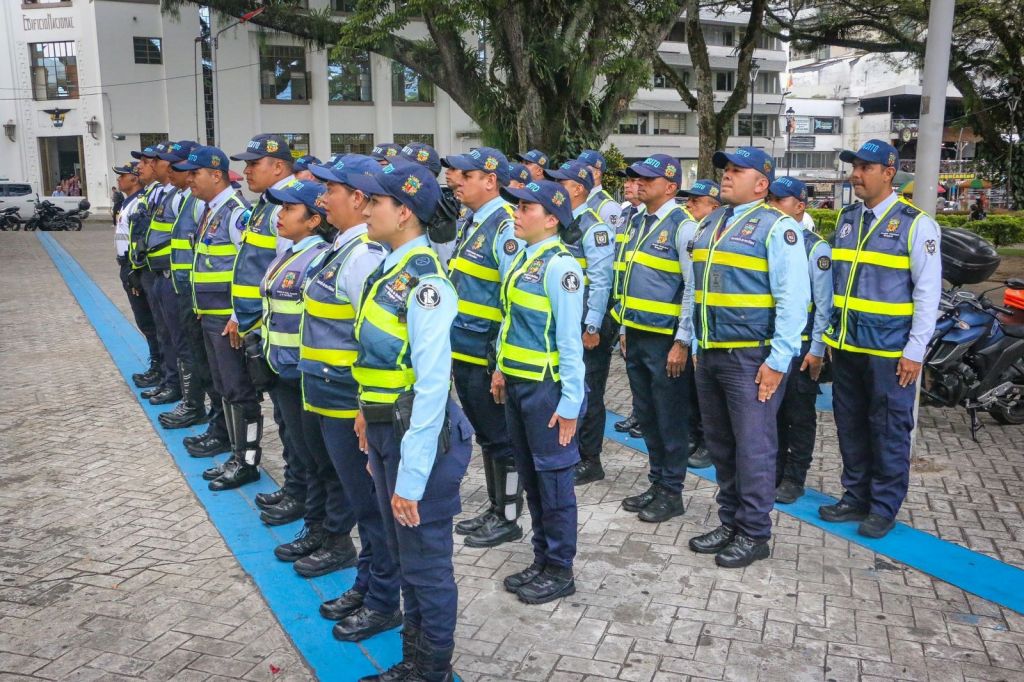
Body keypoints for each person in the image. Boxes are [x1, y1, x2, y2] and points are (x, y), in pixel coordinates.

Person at [347, 158, 473, 682]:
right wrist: (364, 414)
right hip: (384, 428)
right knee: (407, 559)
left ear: (404, 213)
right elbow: (381, 359)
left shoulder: (426, 284)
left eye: (375, 202)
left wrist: (412, 479)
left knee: (426, 565)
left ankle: (431, 670)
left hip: (416, 436)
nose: (366, 208)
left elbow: (430, 387)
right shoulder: (391, 268)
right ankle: (413, 662)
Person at [687, 147, 810, 568]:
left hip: (750, 357)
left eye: (738, 171)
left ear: (762, 184)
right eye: (726, 169)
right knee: (721, 444)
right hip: (711, 352)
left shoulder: (776, 229)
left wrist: (778, 361)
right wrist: (692, 343)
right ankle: (731, 520)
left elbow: (794, 300)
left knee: (754, 447)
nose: (727, 175)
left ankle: (755, 532)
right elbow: (696, 290)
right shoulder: (713, 223)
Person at [819, 139, 941, 538]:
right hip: (848, 346)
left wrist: (915, 351)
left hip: (890, 352)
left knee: (888, 429)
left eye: (865, 168)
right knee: (851, 426)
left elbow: (927, 293)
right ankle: (855, 496)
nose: (856, 174)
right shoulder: (848, 217)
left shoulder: (915, 223)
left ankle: (884, 506)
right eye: (854, 166)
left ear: (888, 173)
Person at [300, 155, 400, 641]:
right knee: (365, 509)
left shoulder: (363, 257)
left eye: (330, 190)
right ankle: (368, 583)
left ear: (357, 199)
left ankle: (383, 598)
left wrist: (364, 406)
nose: (321, 199)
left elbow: (373, 339)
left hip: (349, 402)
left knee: (371, 510)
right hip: (330, 396)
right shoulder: (341, 248)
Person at [492, 179, 586, 604]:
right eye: (517, 205)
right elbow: (510, 322)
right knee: (532, 478)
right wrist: (499, 369)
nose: (517, 212)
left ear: (551, 219)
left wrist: (570, 404)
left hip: (545, 392)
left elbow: (569, 341)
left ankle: (560, 568)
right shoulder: (524, 259)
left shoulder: (561, 267)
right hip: (516, 385)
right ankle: (541, 558)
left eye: (527, 207)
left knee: (553, 482)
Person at [442, 147, 526, 548]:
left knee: (501, 439)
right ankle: (496, 508)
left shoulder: (504, 226)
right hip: (465, 348)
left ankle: (508, 516)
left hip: (486, 352)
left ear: (490, 180)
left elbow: (512, 298)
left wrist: (502, 362)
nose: (455, 180)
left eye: (465, 174)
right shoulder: (472, 222)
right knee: (488, 436)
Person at [218, 134, 305, 502]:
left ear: (280, 166)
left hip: (280, 333)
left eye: (254, 164)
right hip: (261, 326)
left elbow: (288, 273)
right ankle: (294, 487)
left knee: (294, 423)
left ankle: (299, 491)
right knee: (285, 420)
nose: (246, 171)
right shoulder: (268, 204)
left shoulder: (290, 207)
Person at [174, 145, 264, 492]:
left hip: (227, 321)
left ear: (215, 175)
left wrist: (237, 315)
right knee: (225, 388)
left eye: (195, 173)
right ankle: (236, 453)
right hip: (208, 317)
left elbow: (250, 268)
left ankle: (248, 461)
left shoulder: (236, 213)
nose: (190, 179)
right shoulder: (211, 210)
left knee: (239, 391)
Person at [612, 154, 694, 523]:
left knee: (669, 417)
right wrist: (626, 328)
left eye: (648, 178)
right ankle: (657, 482)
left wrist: (682, 341)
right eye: (636, 177)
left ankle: (672, 491)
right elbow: (629, 280)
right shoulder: (637, 222)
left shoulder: (683, 226)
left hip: (666, 341)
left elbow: (693, 288)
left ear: (671, 186)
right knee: (647, 415)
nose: (639, 182)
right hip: (638, 335)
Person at [544, 160, 615, 485]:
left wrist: (592, 326)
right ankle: (570, 450)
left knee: (589, 392)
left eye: (561, 180)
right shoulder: (562, 221)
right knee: (568, 388)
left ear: (577, 188)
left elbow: (601, 282)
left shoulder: (594, 226)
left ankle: (590, 458)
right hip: (564, 323)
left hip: (586, 325)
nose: (555, 184)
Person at [767, 176, 832, 504]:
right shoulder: (767, 239)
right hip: (773, 344)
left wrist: (817, 349)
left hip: (803, 346)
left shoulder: (814, 247)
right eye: (770, 200)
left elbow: (823, 304)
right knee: (773, 414)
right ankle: (775, 472)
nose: (772, 206)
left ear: (799, 206)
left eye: (779, 200)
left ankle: (795, 477)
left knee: (799, 415)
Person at [150, 140, 213, 431]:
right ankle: (192, 402)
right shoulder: (184, 197)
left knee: (193, 351)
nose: (179, 173)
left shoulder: (198, 202)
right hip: (178, 283)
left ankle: (194, 404)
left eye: (182, 167)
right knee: (181, 344)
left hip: (193, 290)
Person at [674, 179, 723, 470]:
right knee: (694, 389)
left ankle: (707, 442)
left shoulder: (717, 233)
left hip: (716, 326)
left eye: (696, 201)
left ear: (713, 206)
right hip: (696, 323)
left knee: (710, 395)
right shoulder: (699, 231)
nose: (689, 205)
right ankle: (694, 435)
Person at [128, 143, 175, 401]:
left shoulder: (178, 197)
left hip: (172, 279)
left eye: (148, 161)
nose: (142, 167)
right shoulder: (159, 194)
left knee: (176, 340)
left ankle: (178, 388)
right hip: (154, 272)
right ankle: (167, 378)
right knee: (162, 331)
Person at [113, 161, 163, 387]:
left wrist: (134, 268)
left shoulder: (139, 203)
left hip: (135, 265)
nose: (118, 180)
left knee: (149, 320)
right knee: (144, 321)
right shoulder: (127, 203)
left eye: (122, 176)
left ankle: (159, 366)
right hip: (127, 264)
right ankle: (157, 364)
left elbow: (139, 238)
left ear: (133, 178)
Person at [612, 172, 644, 439]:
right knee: (631, 366)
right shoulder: (626, 213)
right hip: (624, 300)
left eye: (634, 181)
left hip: (644, 307)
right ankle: (638, 413)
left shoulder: (647, 217)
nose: (628, 185)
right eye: (628, 181)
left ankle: (642, 416)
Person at [577, 149, 620, 228]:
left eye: (582, 169)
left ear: (596, 174)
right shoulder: (578, 197)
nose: (577, 172)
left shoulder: (608, 207)